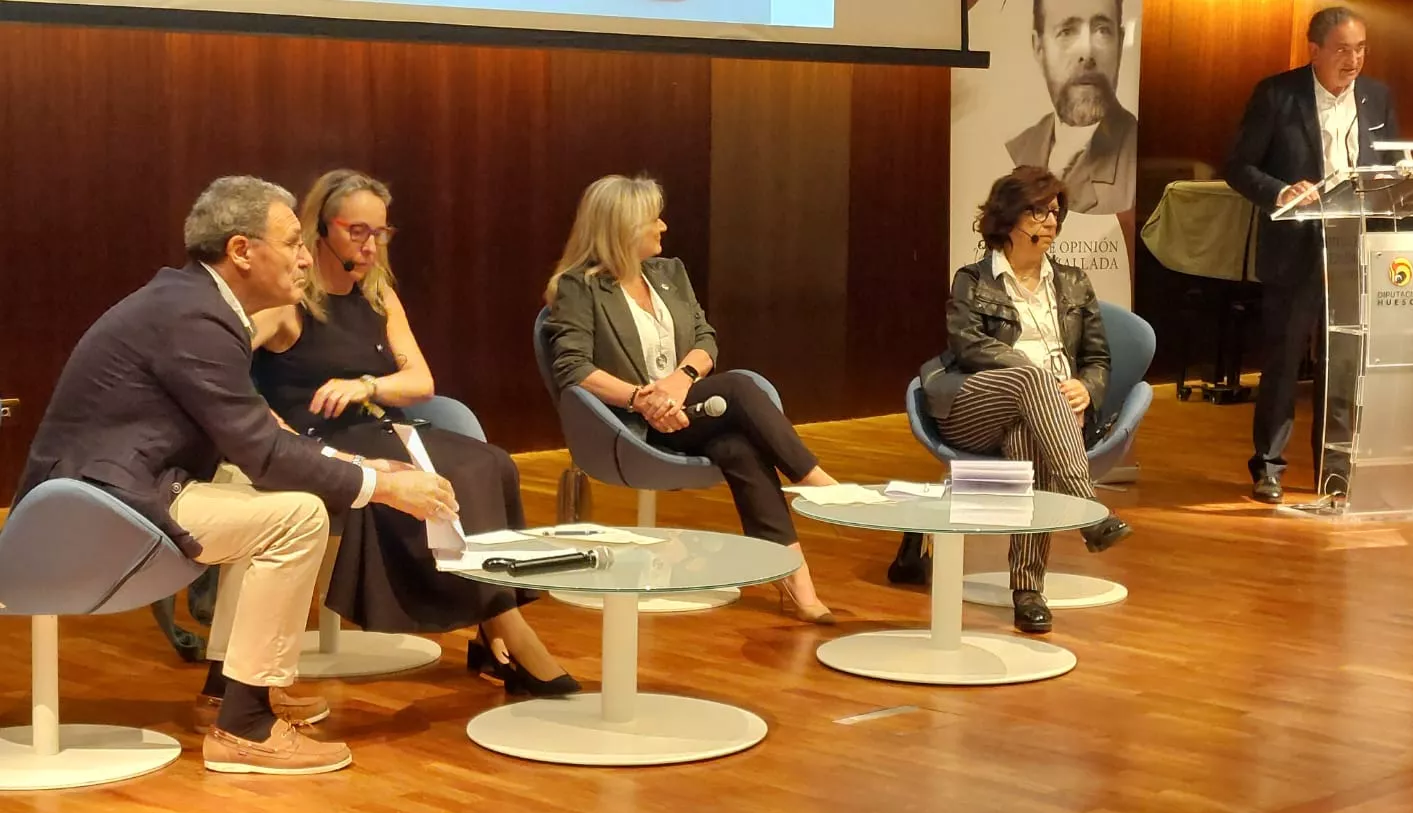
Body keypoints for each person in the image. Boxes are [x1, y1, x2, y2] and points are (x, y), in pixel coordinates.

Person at [14, 175, 458, 775]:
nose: (306, 257)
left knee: (269, 494)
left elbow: (258, 440)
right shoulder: (194, 318)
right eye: (292, 242)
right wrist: (385, 486)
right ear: (242, 251)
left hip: (124, 489)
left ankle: (227, 690)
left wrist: (358, 464)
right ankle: (245, 728)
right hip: (87, 510)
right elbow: (261, 449)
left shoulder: (196, 304)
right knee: (295, 516)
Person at [249, 169, 579, 696]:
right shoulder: (289, 304)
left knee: (491, 462)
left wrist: (365, 385)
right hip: (319, 443)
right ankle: (510, 633)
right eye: (357, 232)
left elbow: (420, 381)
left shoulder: (377, 295)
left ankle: (496, 624)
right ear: (321, 229)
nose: (371, 245)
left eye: (380, 233)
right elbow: (221, 367)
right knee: (451, 473)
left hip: (375, 426)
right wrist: (266, 421)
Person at [544, 174, 838, 624]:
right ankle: (822, 487)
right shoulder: (578, 287)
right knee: (738, 387)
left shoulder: (669, 274)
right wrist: (643, 399)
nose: (663, 226)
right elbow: (573, 368)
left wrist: (680, 381)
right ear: (623, 227)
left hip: (687, 411)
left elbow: (705, 339)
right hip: (630, 425)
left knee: (736, 447)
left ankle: (797, 582)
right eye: (653, 219)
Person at [918, 166, 1132, 635]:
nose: (1051, 221)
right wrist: (1038, 377)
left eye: (1055, 212)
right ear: (1009, 216)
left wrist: (1086, 388)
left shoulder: (1073, 282)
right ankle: (1086, 504)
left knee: (1029, 435)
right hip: (974, 406)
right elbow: (967, 346)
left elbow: (1097, 359)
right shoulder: (973, 279)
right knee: (1033, 380)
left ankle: (1028, 591)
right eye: (1038, 211)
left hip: (1047, 416)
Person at [1224, 6, 1398, 502]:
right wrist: (1282, 191)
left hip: (1354, 249)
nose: (1353, 60)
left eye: (1361, 49)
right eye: (1343, 49)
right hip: (1295, 249)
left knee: (1342, 363)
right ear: (1315, 50)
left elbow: (1387, 168)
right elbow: (1238, 166)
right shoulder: (1277, 95)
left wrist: (1396, 179)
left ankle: (1335, 469)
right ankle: (1269, 466)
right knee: (1282, 362)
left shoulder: (1378, 97)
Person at [1006, 0, 1137, 216]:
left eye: (1102, 30)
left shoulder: (1137, 169)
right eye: (1066, 31)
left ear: (1120, 44)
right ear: (1039, 48)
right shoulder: (1019, 150)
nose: (1087, 52)